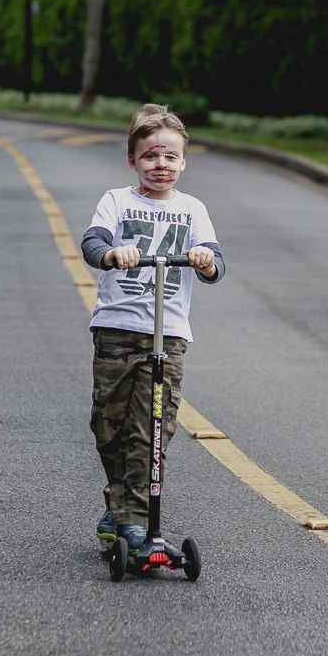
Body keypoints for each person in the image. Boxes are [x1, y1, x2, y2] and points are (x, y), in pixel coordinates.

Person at [81, 104, 225, 552]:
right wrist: (112, 253)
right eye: (149, 157)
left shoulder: (193, 209)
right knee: (109, 424)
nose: (160, 166)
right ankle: (120, 503)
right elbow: (92, 242)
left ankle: (135, 521)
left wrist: (203, 261)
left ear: (183, 161)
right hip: (117, 329)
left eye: (169, 158)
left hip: (168, 335)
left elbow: (216, 264)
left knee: (152, 427)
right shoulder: (116, 201)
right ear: (133, 160)